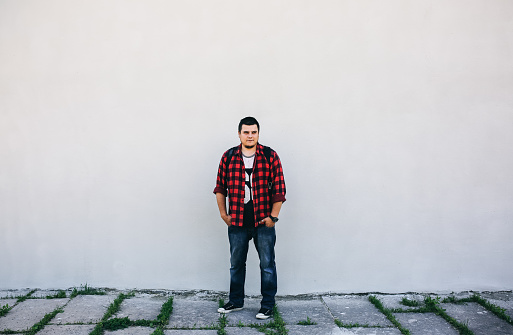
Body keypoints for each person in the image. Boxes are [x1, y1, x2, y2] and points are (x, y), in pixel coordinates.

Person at [213, 116, 286, 320]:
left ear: (258, 134)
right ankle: (236, 301)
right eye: (246, 132)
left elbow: (280, 189)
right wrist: (223, 214)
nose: (250, 135)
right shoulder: (228, 157)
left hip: (263, 221)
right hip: (237, 221)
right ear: (239, 134)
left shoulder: (270, 156)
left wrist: (273, 217)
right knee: (236, 263)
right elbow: (220, 188)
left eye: (253, 132)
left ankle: (268, 305)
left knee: (267, 264)